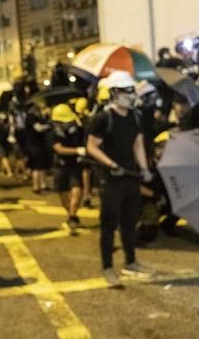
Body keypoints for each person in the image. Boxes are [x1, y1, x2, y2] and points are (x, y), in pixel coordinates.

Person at [86, 71, 152, 287]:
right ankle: (107, 267)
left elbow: (138, 143)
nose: (131, 95)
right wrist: (111, 164)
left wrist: (144, 168)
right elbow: (91, 147)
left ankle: (131, 261)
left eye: (132, 91)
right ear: (114, 93)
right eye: (127, 91)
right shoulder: (103, 118)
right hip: (111, 179)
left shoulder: (135, 116)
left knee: (129, 222)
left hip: (130, 176)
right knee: (108, 224)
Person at [50, 104, 86, 233]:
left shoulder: (77, 127)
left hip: (74, 164)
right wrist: (77, 150)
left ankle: (72, 216)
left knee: (77, 190)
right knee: (63, 192)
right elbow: (58, 149)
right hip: (60, 165)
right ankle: (72, 215)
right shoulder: (54, 131)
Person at [25, 101, 52, 194]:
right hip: (34, 145)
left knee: (41, 166)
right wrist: (49, 126)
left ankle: (43, 185)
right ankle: (36, 186)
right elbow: (38, 128)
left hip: (38, 145)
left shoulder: (36, 117)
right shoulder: (31, 117)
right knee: (37, 167)